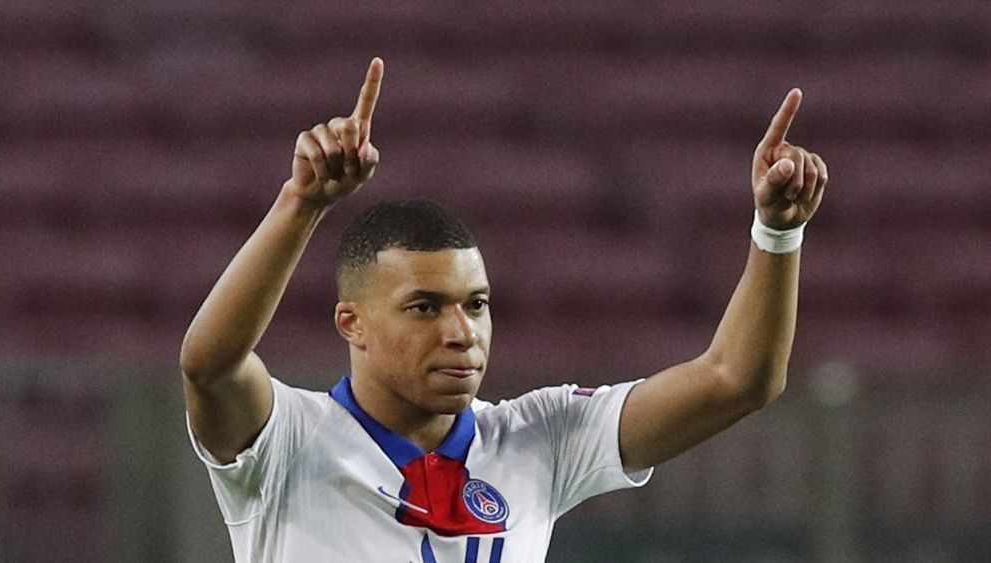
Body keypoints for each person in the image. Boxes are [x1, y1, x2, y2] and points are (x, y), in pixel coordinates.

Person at [180, 57, 829, 562]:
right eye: (424, 307)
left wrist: (777, 233)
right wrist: (301, 204)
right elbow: (210, 365)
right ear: (353, 323)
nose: (461, 331)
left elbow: (737, 379)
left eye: (477, 304)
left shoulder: (540, 437)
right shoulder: (288, 439)